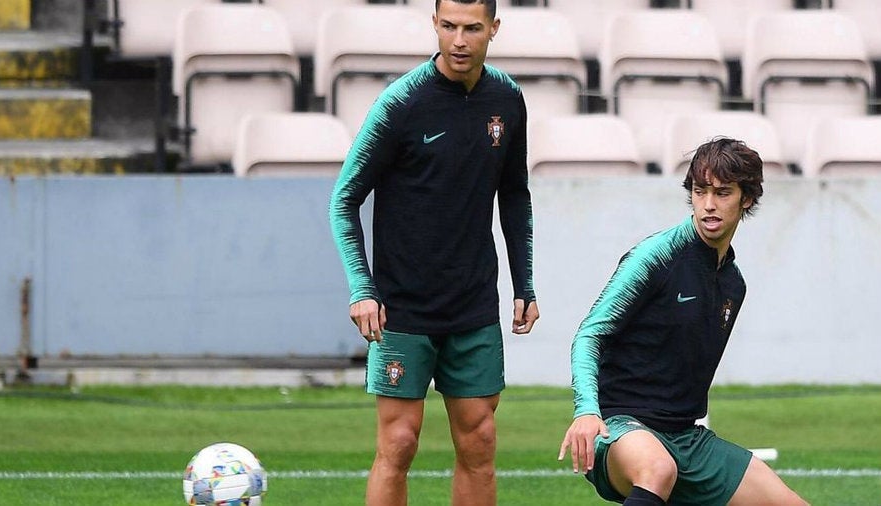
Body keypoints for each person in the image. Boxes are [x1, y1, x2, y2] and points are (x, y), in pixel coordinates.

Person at [328, 1, 540, 505]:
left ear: (494, 28)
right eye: (448, 27)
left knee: (480, 442)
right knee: (398, 444)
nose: (459, 40)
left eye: (472, 28)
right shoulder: (400, 104)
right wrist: (363, 288)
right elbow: (344, 200)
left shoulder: (507, 100)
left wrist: (524, 282)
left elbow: (514, 194)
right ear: (434, 26)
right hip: (401, 309)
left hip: (472, 305)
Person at [557, 138, 808, 505]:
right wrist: (587, 412)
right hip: (619, 427)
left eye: (723, 193)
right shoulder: (656, 256)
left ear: (747, 199)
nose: (708, 204)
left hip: (686, 438)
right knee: (657, 469)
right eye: (699, 190)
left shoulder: (733, 285)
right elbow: (590, 334)